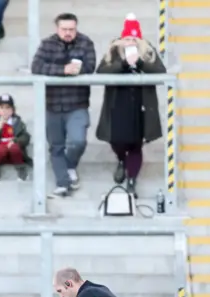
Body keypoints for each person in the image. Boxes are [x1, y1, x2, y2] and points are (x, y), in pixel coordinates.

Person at [95, 13, 166, 198]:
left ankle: (132, 179)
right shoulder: (113, 52)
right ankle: (121, 159)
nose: (130, 42)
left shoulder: (148, 51)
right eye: (127, 38)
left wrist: (140, 62)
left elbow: (161, 72)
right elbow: (102, 71)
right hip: (118, 103)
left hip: (141, 104)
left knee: (136, 144)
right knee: (116, 140)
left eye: (134, 38)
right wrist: (125, 64)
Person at [31, 13, 96, 198]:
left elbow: (91, 66)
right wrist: (63, 70)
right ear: (57, 28)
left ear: (76, 28)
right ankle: (63, 183)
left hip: (77, 103)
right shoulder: (47, 44)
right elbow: (36, 67)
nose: (68, 33)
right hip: (52, 104)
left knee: (78, 141)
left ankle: (69, 165)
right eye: (64, 29)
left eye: (71, 29)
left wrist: (78, 70)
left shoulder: (85, 42)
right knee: (56, 146)